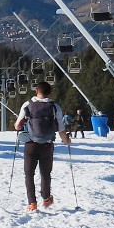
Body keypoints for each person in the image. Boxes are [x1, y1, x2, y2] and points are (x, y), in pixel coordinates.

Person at [15, 81, 70, 210]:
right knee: (45, 173)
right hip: (47, 145)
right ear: (49, 93)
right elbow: (61, 128)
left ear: (36, 91)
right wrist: (66, 141)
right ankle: (46, 199)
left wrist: (23, 122)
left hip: (31, 144)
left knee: (29, 173)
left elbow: (17, 126)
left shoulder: (28, 104)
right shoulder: (55, 107)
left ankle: (32, 203)